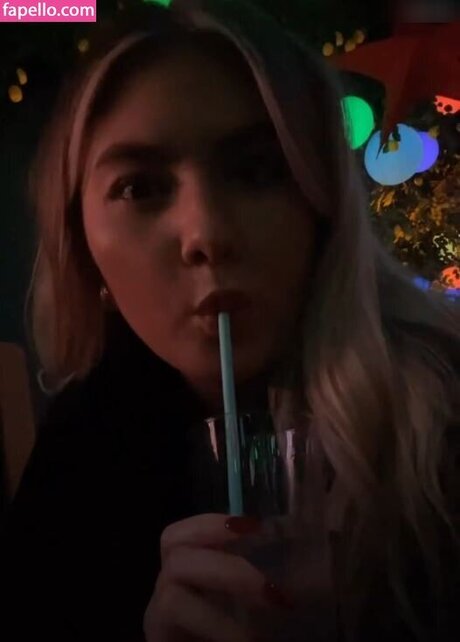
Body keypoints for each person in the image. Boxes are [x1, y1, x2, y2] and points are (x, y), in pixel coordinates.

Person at [1, 1, 459, 640]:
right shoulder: (81, 460)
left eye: (257, 171)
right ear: (83, 247)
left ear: (323, 208)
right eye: (140, 188)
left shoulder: (442, 434)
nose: (207, 233)